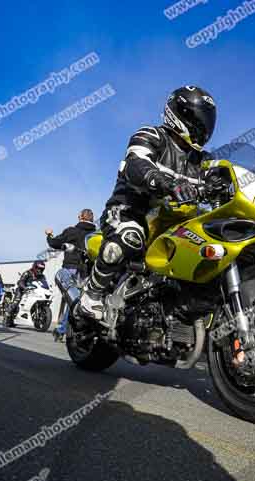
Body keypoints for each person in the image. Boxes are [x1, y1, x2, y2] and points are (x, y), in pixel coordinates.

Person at [79, 85, 216, 321]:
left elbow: (221, 177)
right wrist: (162, 181)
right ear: (180, 114)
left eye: (207, 120)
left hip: (175, 219)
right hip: (131, 208)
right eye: (198, 118)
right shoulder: (151, 135)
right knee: (129, 237)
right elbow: (136, 163)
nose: (203, 126)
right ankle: (92, 292)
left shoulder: (204, 160)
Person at [45, 208, 96, 340]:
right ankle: (64, 328)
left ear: (80, 217)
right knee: (79, 301)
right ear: (91, 218)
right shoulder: (97, 234)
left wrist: (49, 234)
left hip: (71, 269)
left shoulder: (72, 231)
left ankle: (62, 329)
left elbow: (55, 243)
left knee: (72, 301)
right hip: (89, 273)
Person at [4, 260, 48, 327]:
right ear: (34, 267)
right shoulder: (27, 273)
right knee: (16, 301)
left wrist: (47, 288)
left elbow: (44, 284)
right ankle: (7, 316)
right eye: (38, 268)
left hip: (34, 292)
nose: (39, 270)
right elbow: (20, 281)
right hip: (22, 290)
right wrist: (24, 287)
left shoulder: (42, 276)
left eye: (41, 269)